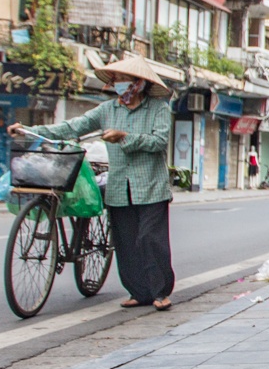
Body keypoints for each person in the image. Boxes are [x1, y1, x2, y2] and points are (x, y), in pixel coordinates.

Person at [12, 55, 177, 311]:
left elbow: (159, 141)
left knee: (149, 239)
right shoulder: (107, 110)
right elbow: (73, 126)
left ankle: (160, 292)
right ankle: (138, 292)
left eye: (124, 80)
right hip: (119, 186)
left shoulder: (158, 109)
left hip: (151, 186)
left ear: (139, 84)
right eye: (117, 81)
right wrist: (30, 129)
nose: (119, 85)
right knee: (126, 241)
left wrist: (125, 137)